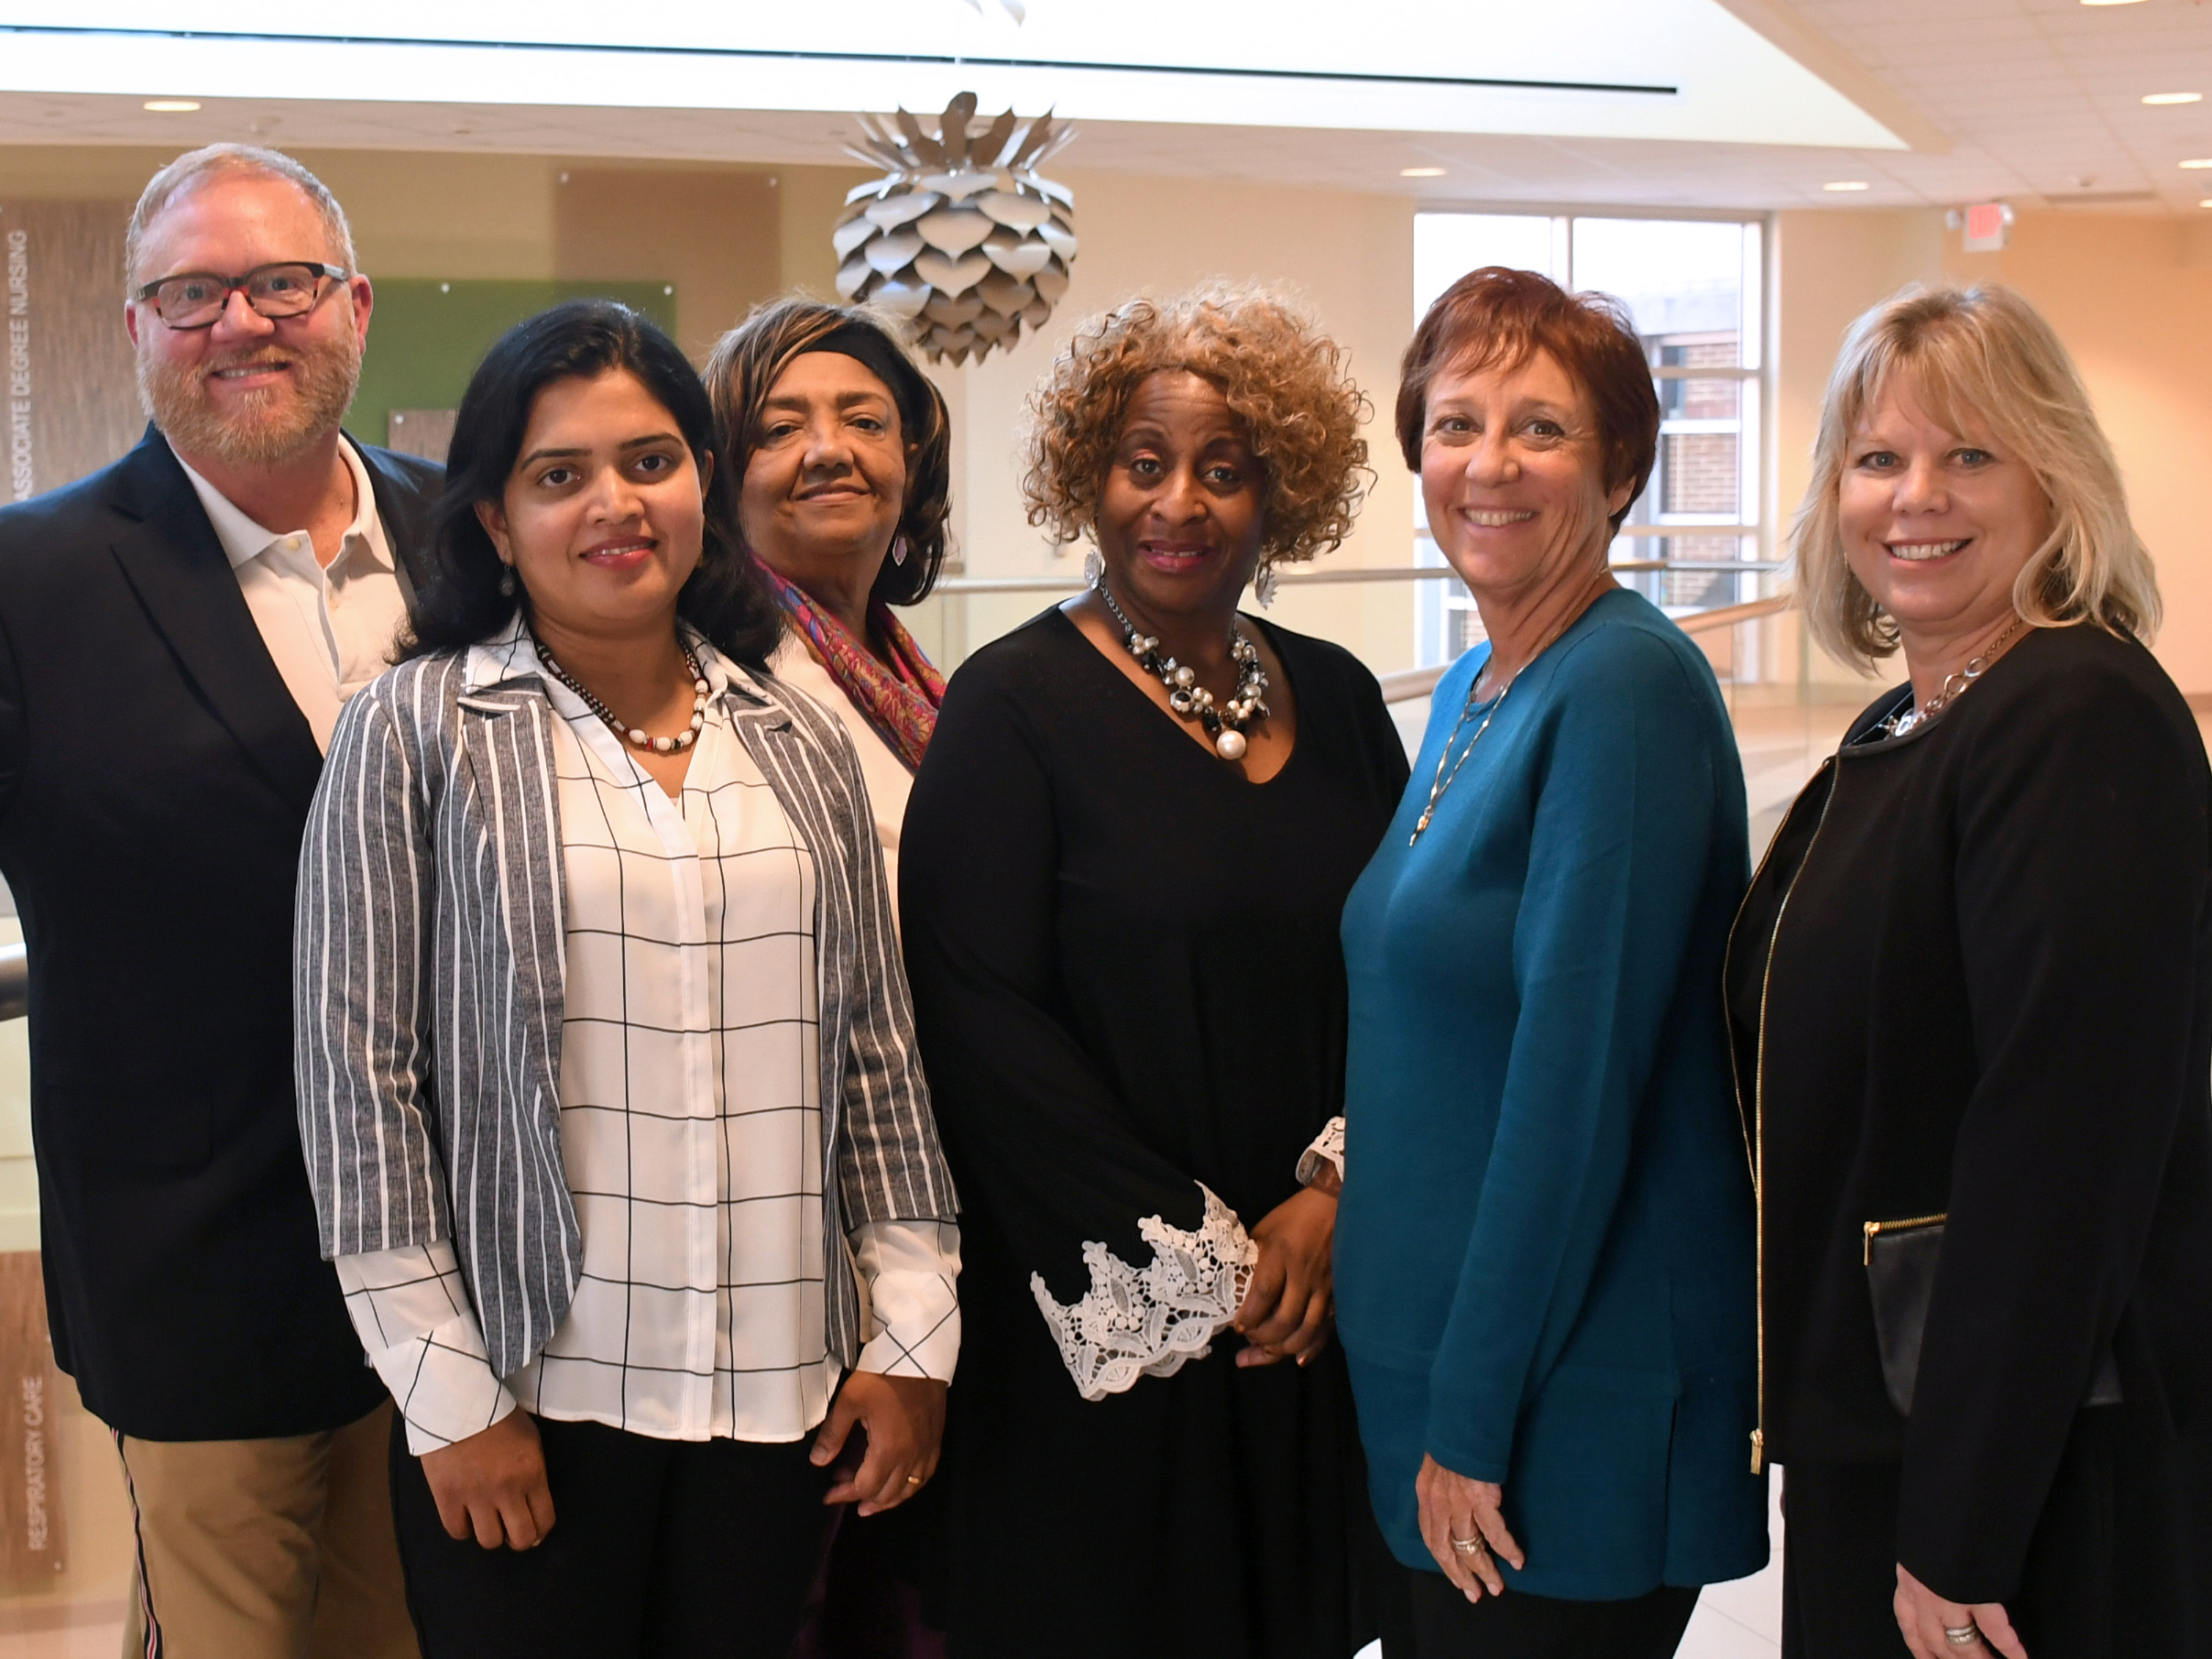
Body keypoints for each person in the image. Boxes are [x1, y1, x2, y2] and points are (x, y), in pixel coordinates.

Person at [292, 300, 960, 1659]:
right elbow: (360, 1087)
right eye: (560, 475)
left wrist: (912, 1338)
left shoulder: (795, 735)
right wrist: (448, 1396)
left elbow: (875, 1061)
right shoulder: (413, 727)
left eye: (652, 460)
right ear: (492, 518)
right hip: (538, 1400)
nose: (616, 502)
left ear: (699, 485)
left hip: (778, 1396)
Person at [899, 286, 1406, 1658]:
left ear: (1276, 497)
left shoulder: (1344, 698)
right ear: (1089, 478)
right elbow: (976, 1019)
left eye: (1223, 471)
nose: (1177, 502)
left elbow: (1407, 969)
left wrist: (1335, 1191)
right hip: (1112, 1318)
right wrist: (1207, 1264)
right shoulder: (1009, 706)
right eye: (1143, 462)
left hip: (1315, 1301)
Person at [1727, 283, 2212, 1659]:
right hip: (1887, 1417)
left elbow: (2059, 1150)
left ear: (2054, 477)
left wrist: (1962, 1515)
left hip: (2022, 1462)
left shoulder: (2074, 716)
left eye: (1970, 454)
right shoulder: (1913, 718)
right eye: (1878, 457)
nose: (1914, 497)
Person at [0, 144, 435, 1659]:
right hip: (194, 1276)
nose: (239, 320)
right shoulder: (30, 582)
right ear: (137, 328)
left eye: (280, 283)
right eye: (190, 292)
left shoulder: (485, 546)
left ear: (354, 308)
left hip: (476, 1269)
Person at [1333, 266, 1769, 1658]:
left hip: (1559, 1399)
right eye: (1455, 423)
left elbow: (1570, 1093)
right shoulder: (1480, 683)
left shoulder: (1623, 687)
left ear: (1622, 465)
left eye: (1542, 427)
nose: (1489, 463)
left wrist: (1472, 1417)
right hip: (1458, 1370)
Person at [707, 298, 952, 914]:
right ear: (724, 479)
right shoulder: (709, 685)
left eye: (866, 423)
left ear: (911, 461)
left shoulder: (921, 684)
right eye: (781, 430)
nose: (829, 451)